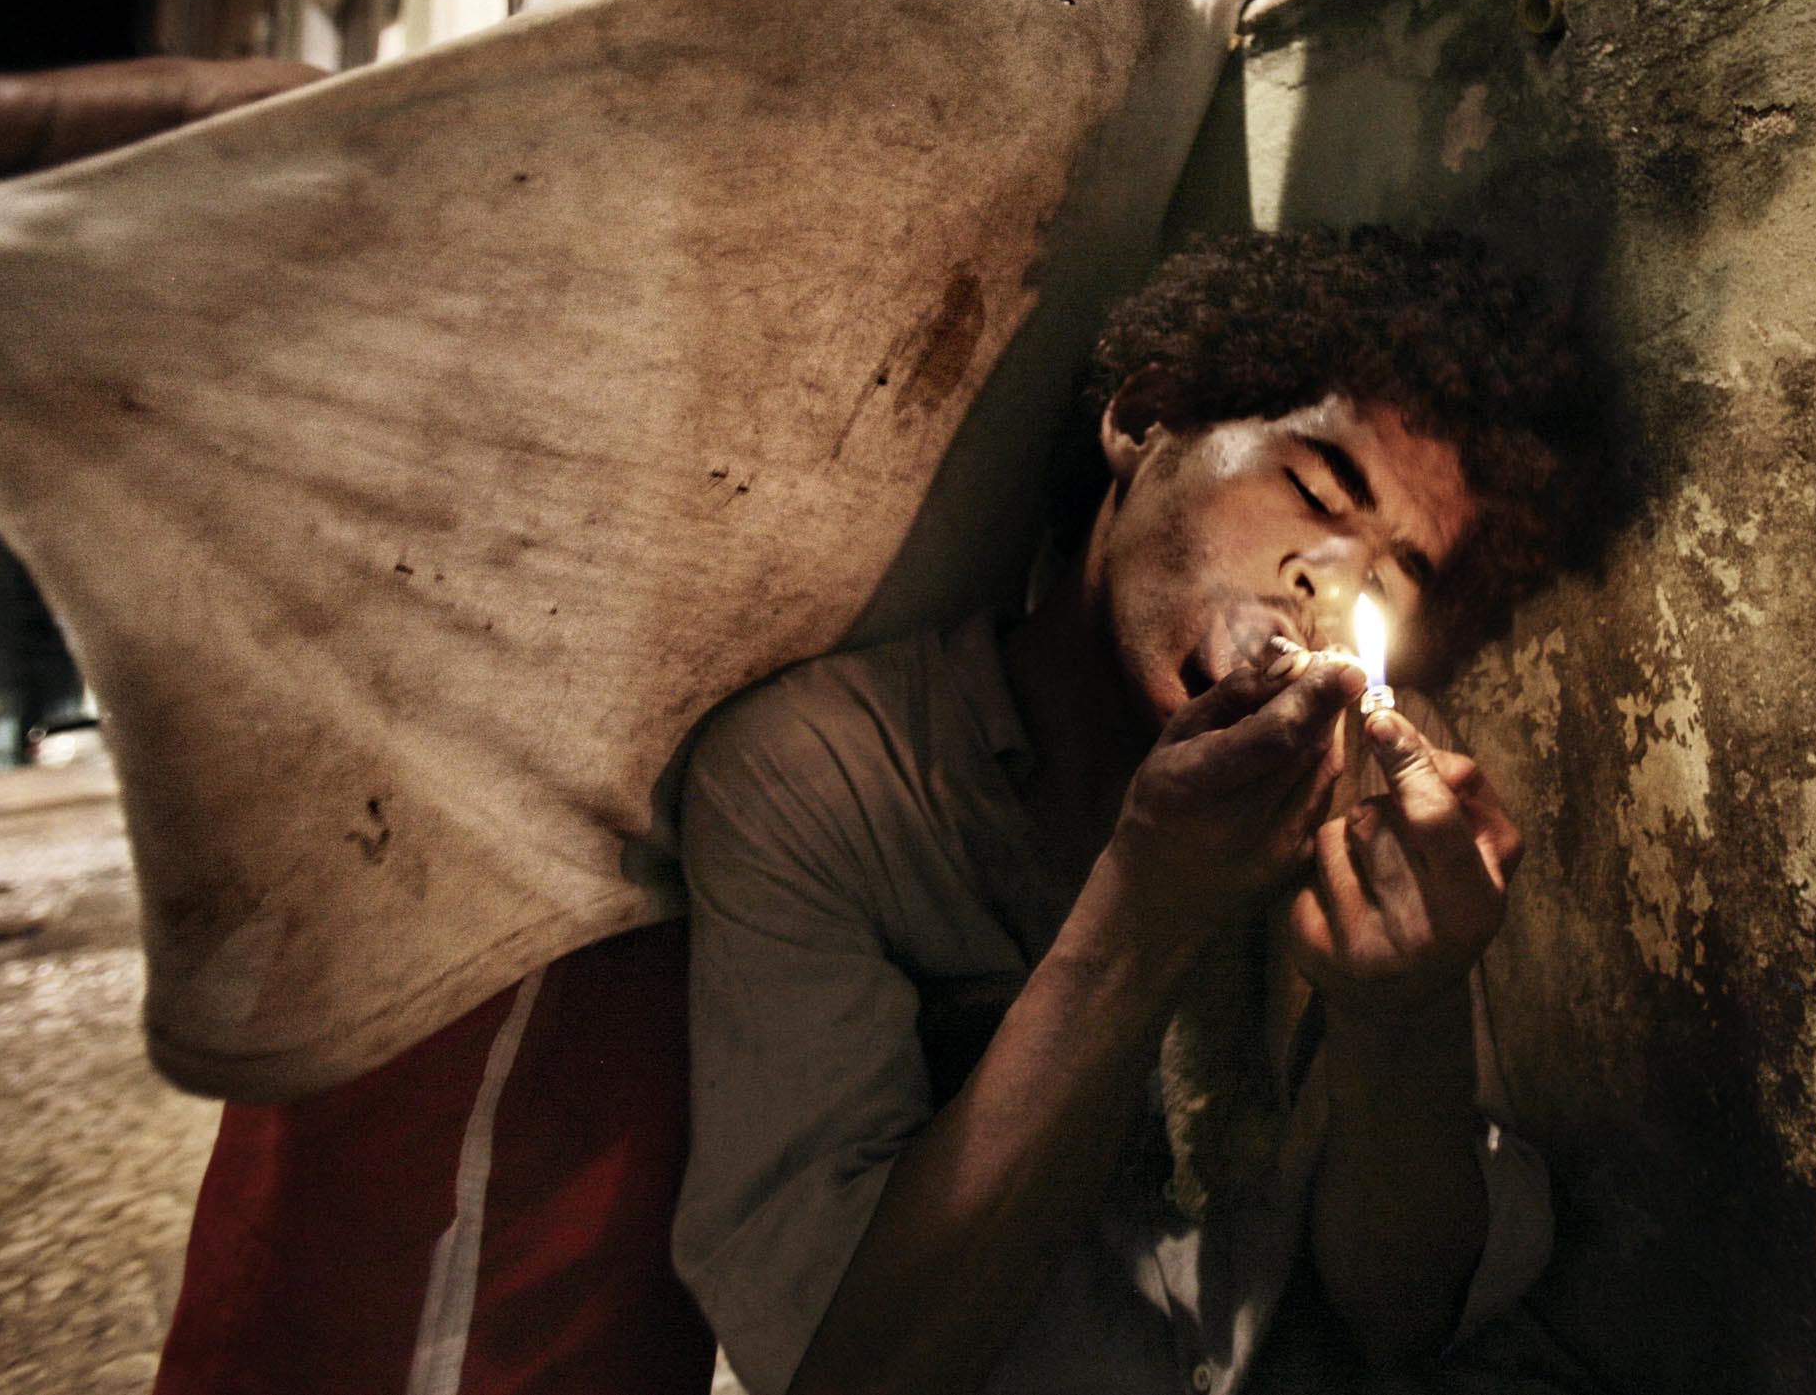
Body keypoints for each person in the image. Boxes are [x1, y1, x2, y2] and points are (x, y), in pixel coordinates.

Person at [0, 0, 1435, 1389]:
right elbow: (544, 128)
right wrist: (22, 141)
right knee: (425, 1294)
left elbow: (1143, 388)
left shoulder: (1194, 3)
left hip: (775, 825)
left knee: (614, 1303)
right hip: (548, 770)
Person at [676, 228, 1594, 1394]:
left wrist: (1405, 1014)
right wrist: (1145, 913)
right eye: (1312, 490)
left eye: (1392, 577)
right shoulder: (819, 776)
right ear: (1144, 419)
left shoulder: (1381, 793)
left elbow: (1399, 1316)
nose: (1329, 582)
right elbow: (838, 1369)